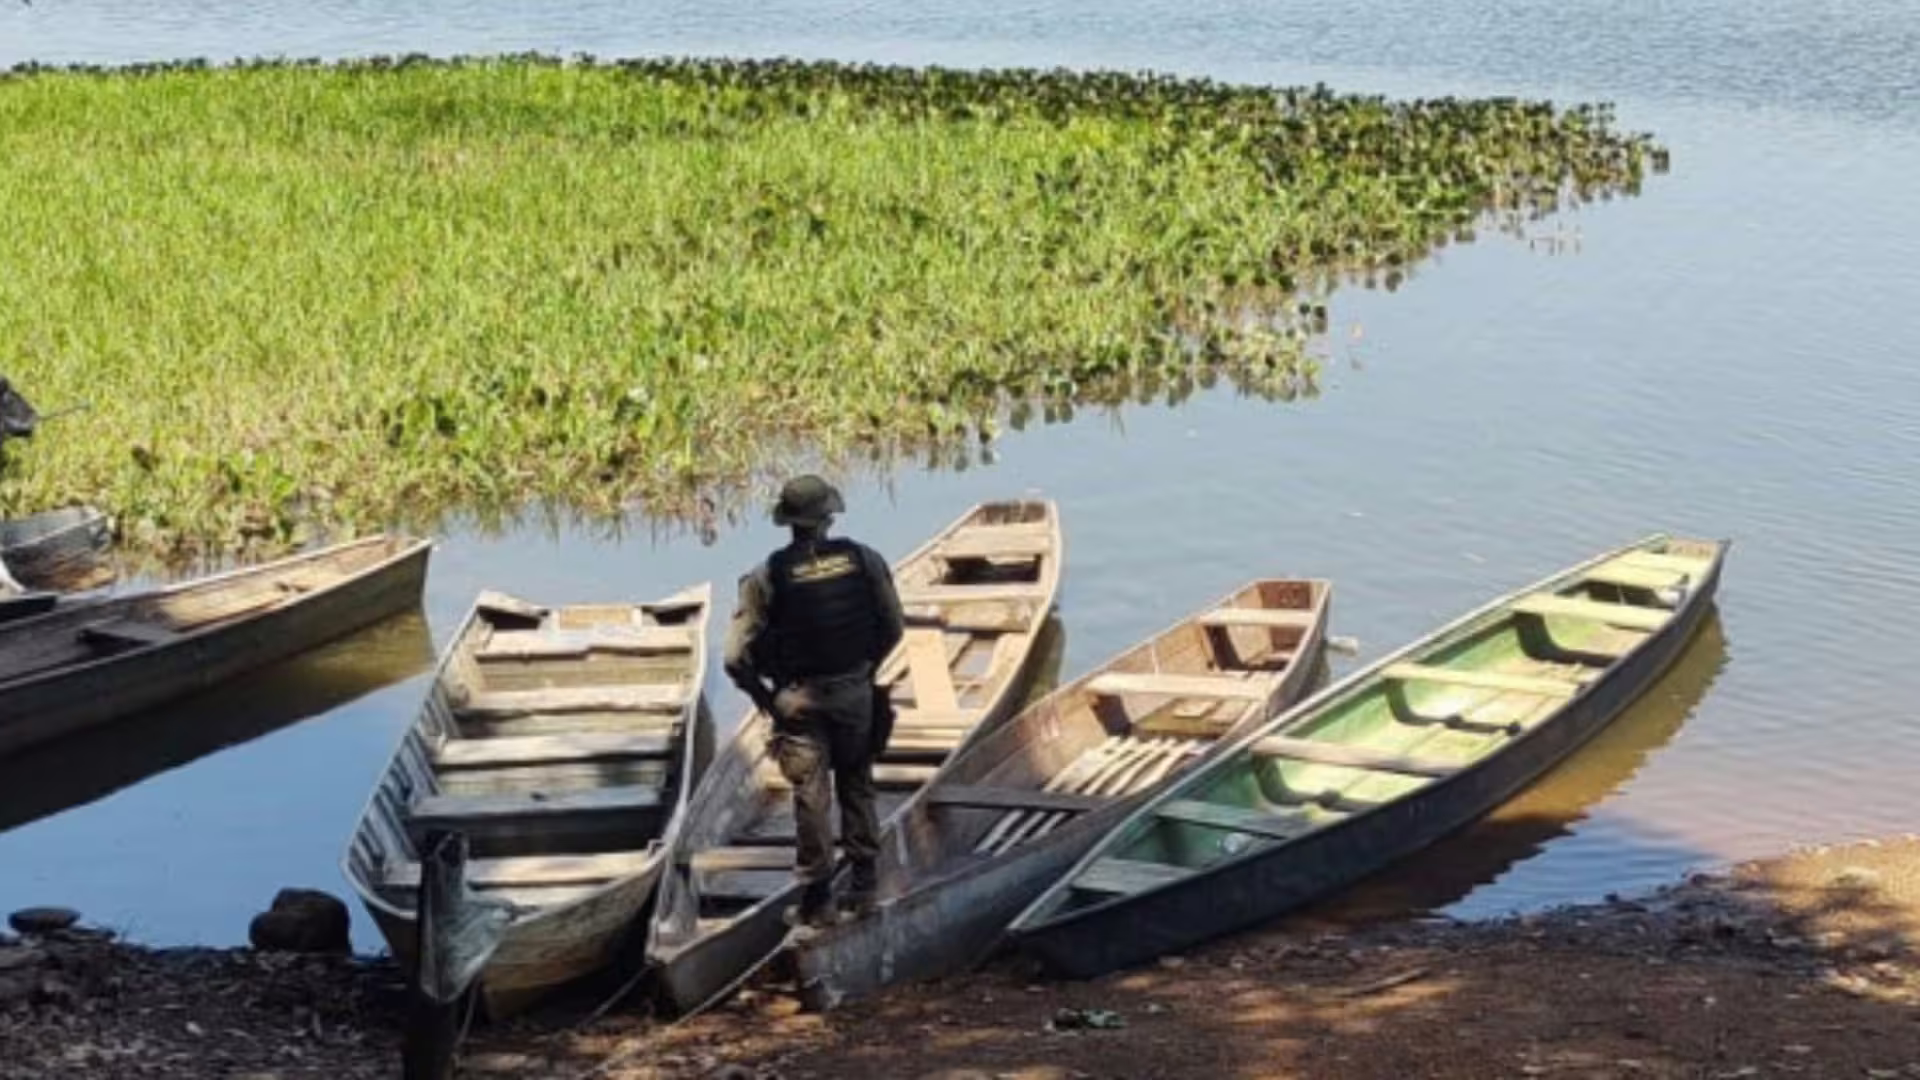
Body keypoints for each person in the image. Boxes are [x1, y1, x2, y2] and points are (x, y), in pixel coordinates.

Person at [723, 475, 905, 928]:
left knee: (810, 796)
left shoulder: (765, 576)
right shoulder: (865, 559)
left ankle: (817, 902)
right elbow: (893, 628)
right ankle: (864, 888)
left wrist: (764, 698)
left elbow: (733, 657)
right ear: (828, 517)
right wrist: (865, 670)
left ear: (788, 523)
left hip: (797, 700)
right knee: (857, 782)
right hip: (854, 693)